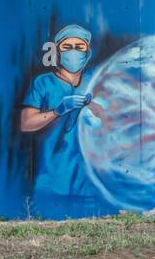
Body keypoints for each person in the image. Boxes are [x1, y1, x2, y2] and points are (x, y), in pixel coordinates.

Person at [20, 23, 104, 213]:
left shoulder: (96, 80)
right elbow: (26, 122)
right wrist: (57, 111)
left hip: (90, 182)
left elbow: (115, 117)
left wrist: (95, 106)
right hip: (52, 180)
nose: (73, 52)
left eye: (79, 47)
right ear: (57, 52)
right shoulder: (43, 83)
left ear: (88, 52)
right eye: (67, 47)